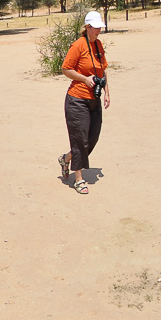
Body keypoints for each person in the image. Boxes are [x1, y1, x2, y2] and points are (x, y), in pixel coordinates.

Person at [58, 10, 111, 194]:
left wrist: (106, 92)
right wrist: (84, 79)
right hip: (77, 100)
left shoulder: (98, 45)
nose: (99, 31)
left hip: (94, 100)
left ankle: (66, 158)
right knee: (80, 138)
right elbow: (66, 69)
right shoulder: (78, 45)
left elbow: (103, 69)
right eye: (96, 28)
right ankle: (78, 180)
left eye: (100, 28)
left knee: (92, 138)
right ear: (87, 27)